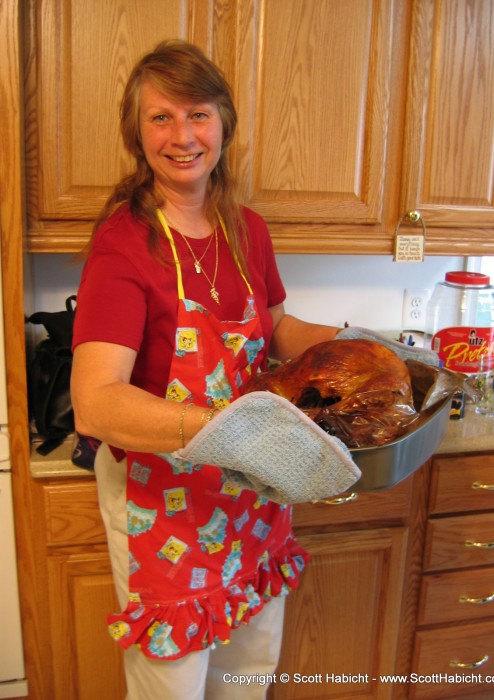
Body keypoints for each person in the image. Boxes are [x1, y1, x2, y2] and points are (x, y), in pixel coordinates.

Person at [71, 40, 342, 700]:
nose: (182, 135)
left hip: (250, 491)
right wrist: (222, 426)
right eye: (160, 118)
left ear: (223, 123)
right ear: (138, 136)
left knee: (248, 671)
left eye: (197, 114)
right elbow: (97, 402)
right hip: (162, 501)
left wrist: (354, 346)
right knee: (175, 683)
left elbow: (274, 327)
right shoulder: (124, 243)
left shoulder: (247, 228)